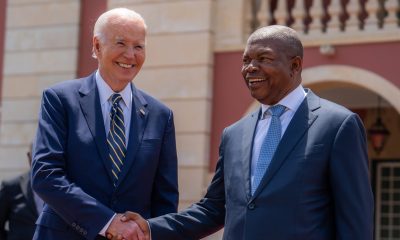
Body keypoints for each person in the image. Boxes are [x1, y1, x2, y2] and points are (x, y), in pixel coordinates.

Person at [117, 25, 374, 240]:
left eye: (263, 59)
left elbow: (355, 222)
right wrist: (150, 228)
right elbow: (214, 209)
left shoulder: (338, 125)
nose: (250, 67)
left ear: (295, 65)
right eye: (246, 60)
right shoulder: (234, 134)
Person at [31, 8, 179, 240]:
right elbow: (46, 175)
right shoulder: (60, 99)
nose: (130, 55)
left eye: (139, 46)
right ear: (97, 46)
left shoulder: (161, 115)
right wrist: (107, 222)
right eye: (121, 43)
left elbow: (165, 200)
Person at [0, 145, 43, 240]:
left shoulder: (62, 187)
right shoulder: (10, 187)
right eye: (38, 155)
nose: (41, 160)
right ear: (29, 156)